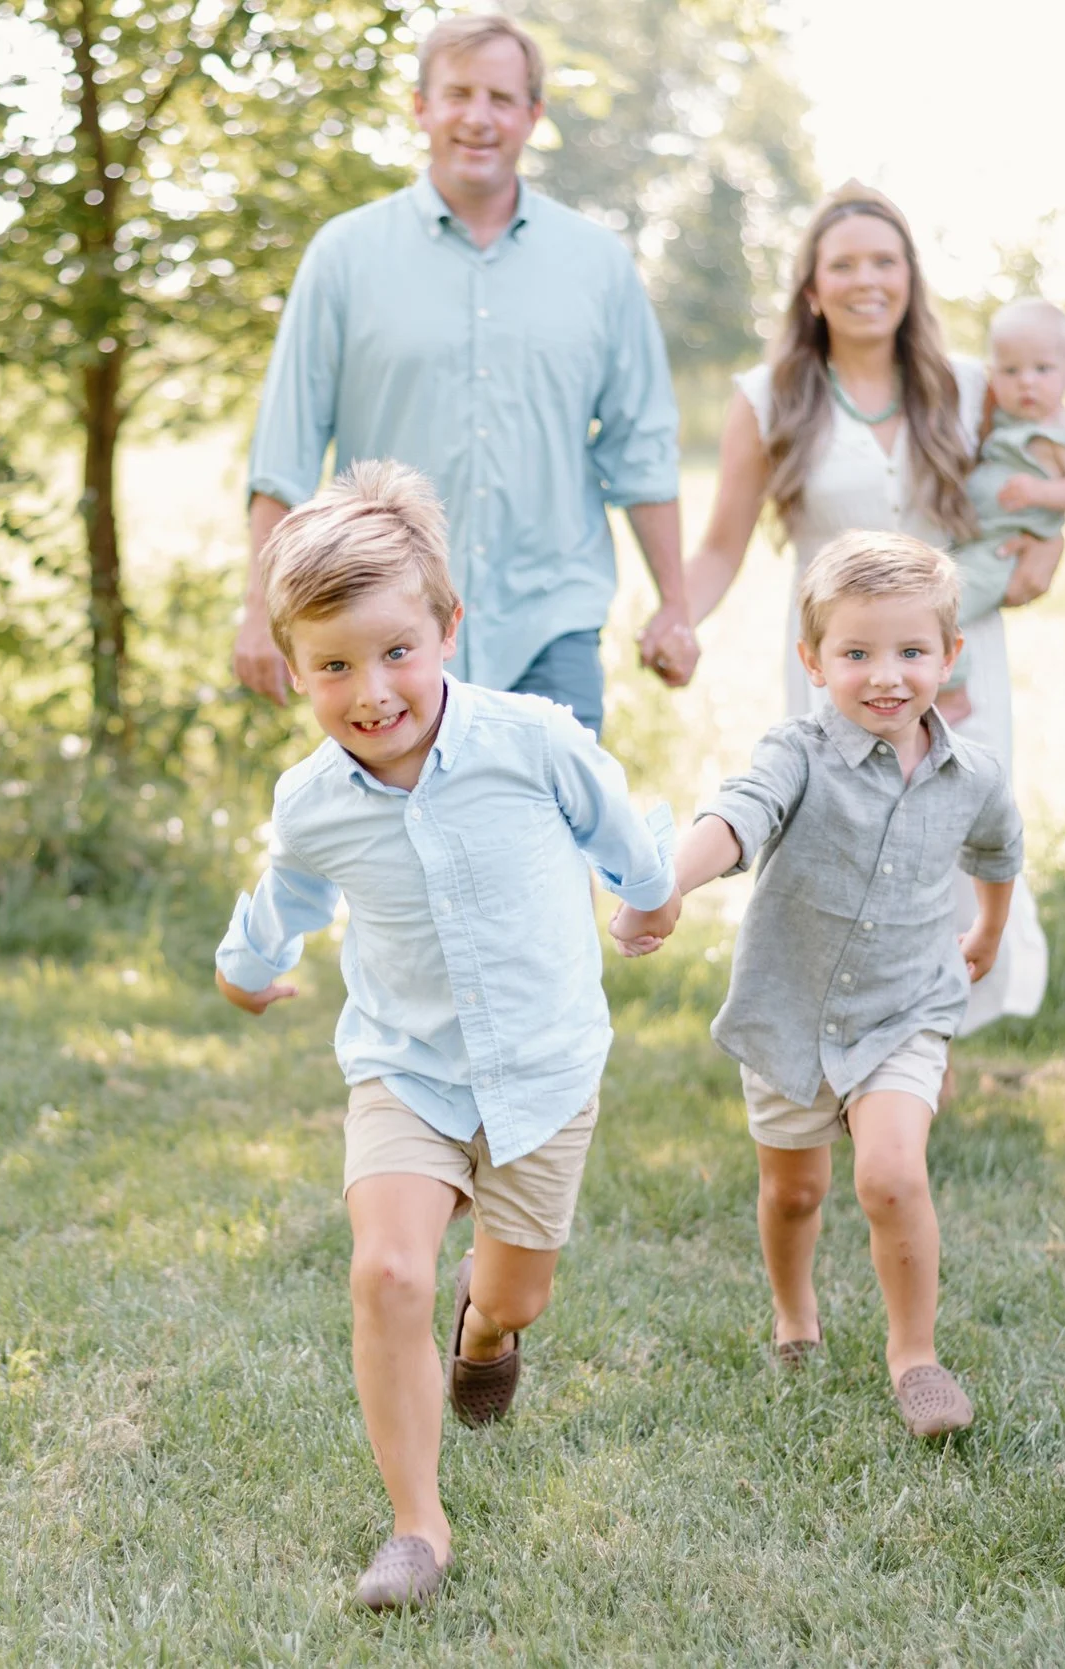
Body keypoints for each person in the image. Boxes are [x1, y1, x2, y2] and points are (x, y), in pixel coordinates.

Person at [214, 461, 677, 1609]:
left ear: (447, 628)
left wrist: (647, 893)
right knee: (385, 1271)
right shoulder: (313, 800)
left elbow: (616, 827)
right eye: (333, 666)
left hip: (542, 1072)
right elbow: (288, 895)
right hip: (407, 1070)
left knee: (514, 1296)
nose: (371, 692)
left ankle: (485, 1332)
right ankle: (417, 1526)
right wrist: (247, 966)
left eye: (395, 652)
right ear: (295, 667)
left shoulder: (532, 740)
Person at [610, 532, 1020, 1437]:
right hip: (791, 1009)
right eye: (857, 653)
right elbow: (737, 815)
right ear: (813, 660)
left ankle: (915, 1356)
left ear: (950, 654)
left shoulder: (974, 774)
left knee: (892, 1173)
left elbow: (999, 848)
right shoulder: (796, 752)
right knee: (795, 1191)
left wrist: (988, 930)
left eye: (912, 651)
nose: (887, 676)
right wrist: (666, 885)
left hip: (906, 1008)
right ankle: (795, 1312)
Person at [234, 12, 694, 736]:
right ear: (421, 107)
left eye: (502, 99)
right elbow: (284, 452)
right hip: (381, 634)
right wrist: (259, 608)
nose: (478, 118)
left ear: (533, 115)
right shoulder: (344, 256)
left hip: (550, 625)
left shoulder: (598, 265)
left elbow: (642, 449)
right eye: (458, 94)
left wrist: (675, 603)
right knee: (398, 817)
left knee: (555, 814)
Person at [677, 180, 1052, 1043]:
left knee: (953, 832)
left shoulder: (968, 389)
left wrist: (1045, 547)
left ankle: (927, 1047)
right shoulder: (767, 398)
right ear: (812, 287)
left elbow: (1038, 479)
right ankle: (845, 1039)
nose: (866, 280)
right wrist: (676, 620)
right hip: (839, 663)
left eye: (885, 261)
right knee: (844, 841)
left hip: (952, 655)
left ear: (910, 278)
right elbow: (721, 546)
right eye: (843, 264)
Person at [935, 296, 1065, 724]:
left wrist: (1041, 492)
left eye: (1042, 369)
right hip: (974, 540)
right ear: (992, 376)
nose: (1026, 383)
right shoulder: (1008, 421)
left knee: (941, 609)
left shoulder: (1062, 433)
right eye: (1010, 372)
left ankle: (954, 691)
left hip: (1002, 549)